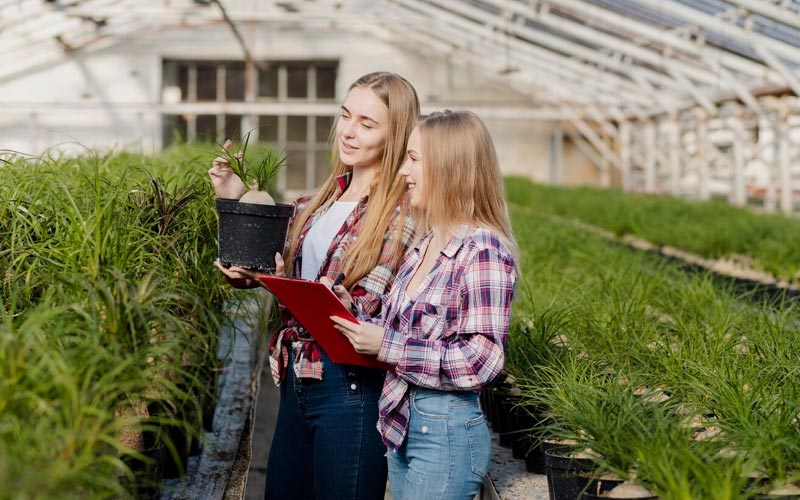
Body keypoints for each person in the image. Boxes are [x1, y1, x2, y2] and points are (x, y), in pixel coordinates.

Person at [209, 72, 420, 499]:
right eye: (345, 115)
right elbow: (281, 269)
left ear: (395, 134)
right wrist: (236, 201)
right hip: (296, 378)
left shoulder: (401, 213)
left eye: (367, 123)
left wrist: (312, 294)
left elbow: (365, 307)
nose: (348, 131)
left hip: (350, 387)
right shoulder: (315, 202)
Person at [330, 110, 518, 500]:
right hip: (405, 423)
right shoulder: (426, 244)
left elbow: (481, 360)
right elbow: (400, 330)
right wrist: (354, 312)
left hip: (445, 432)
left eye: (414, 159)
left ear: (449, 166)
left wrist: (386, 345)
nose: (402, 170)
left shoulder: (482, 250)